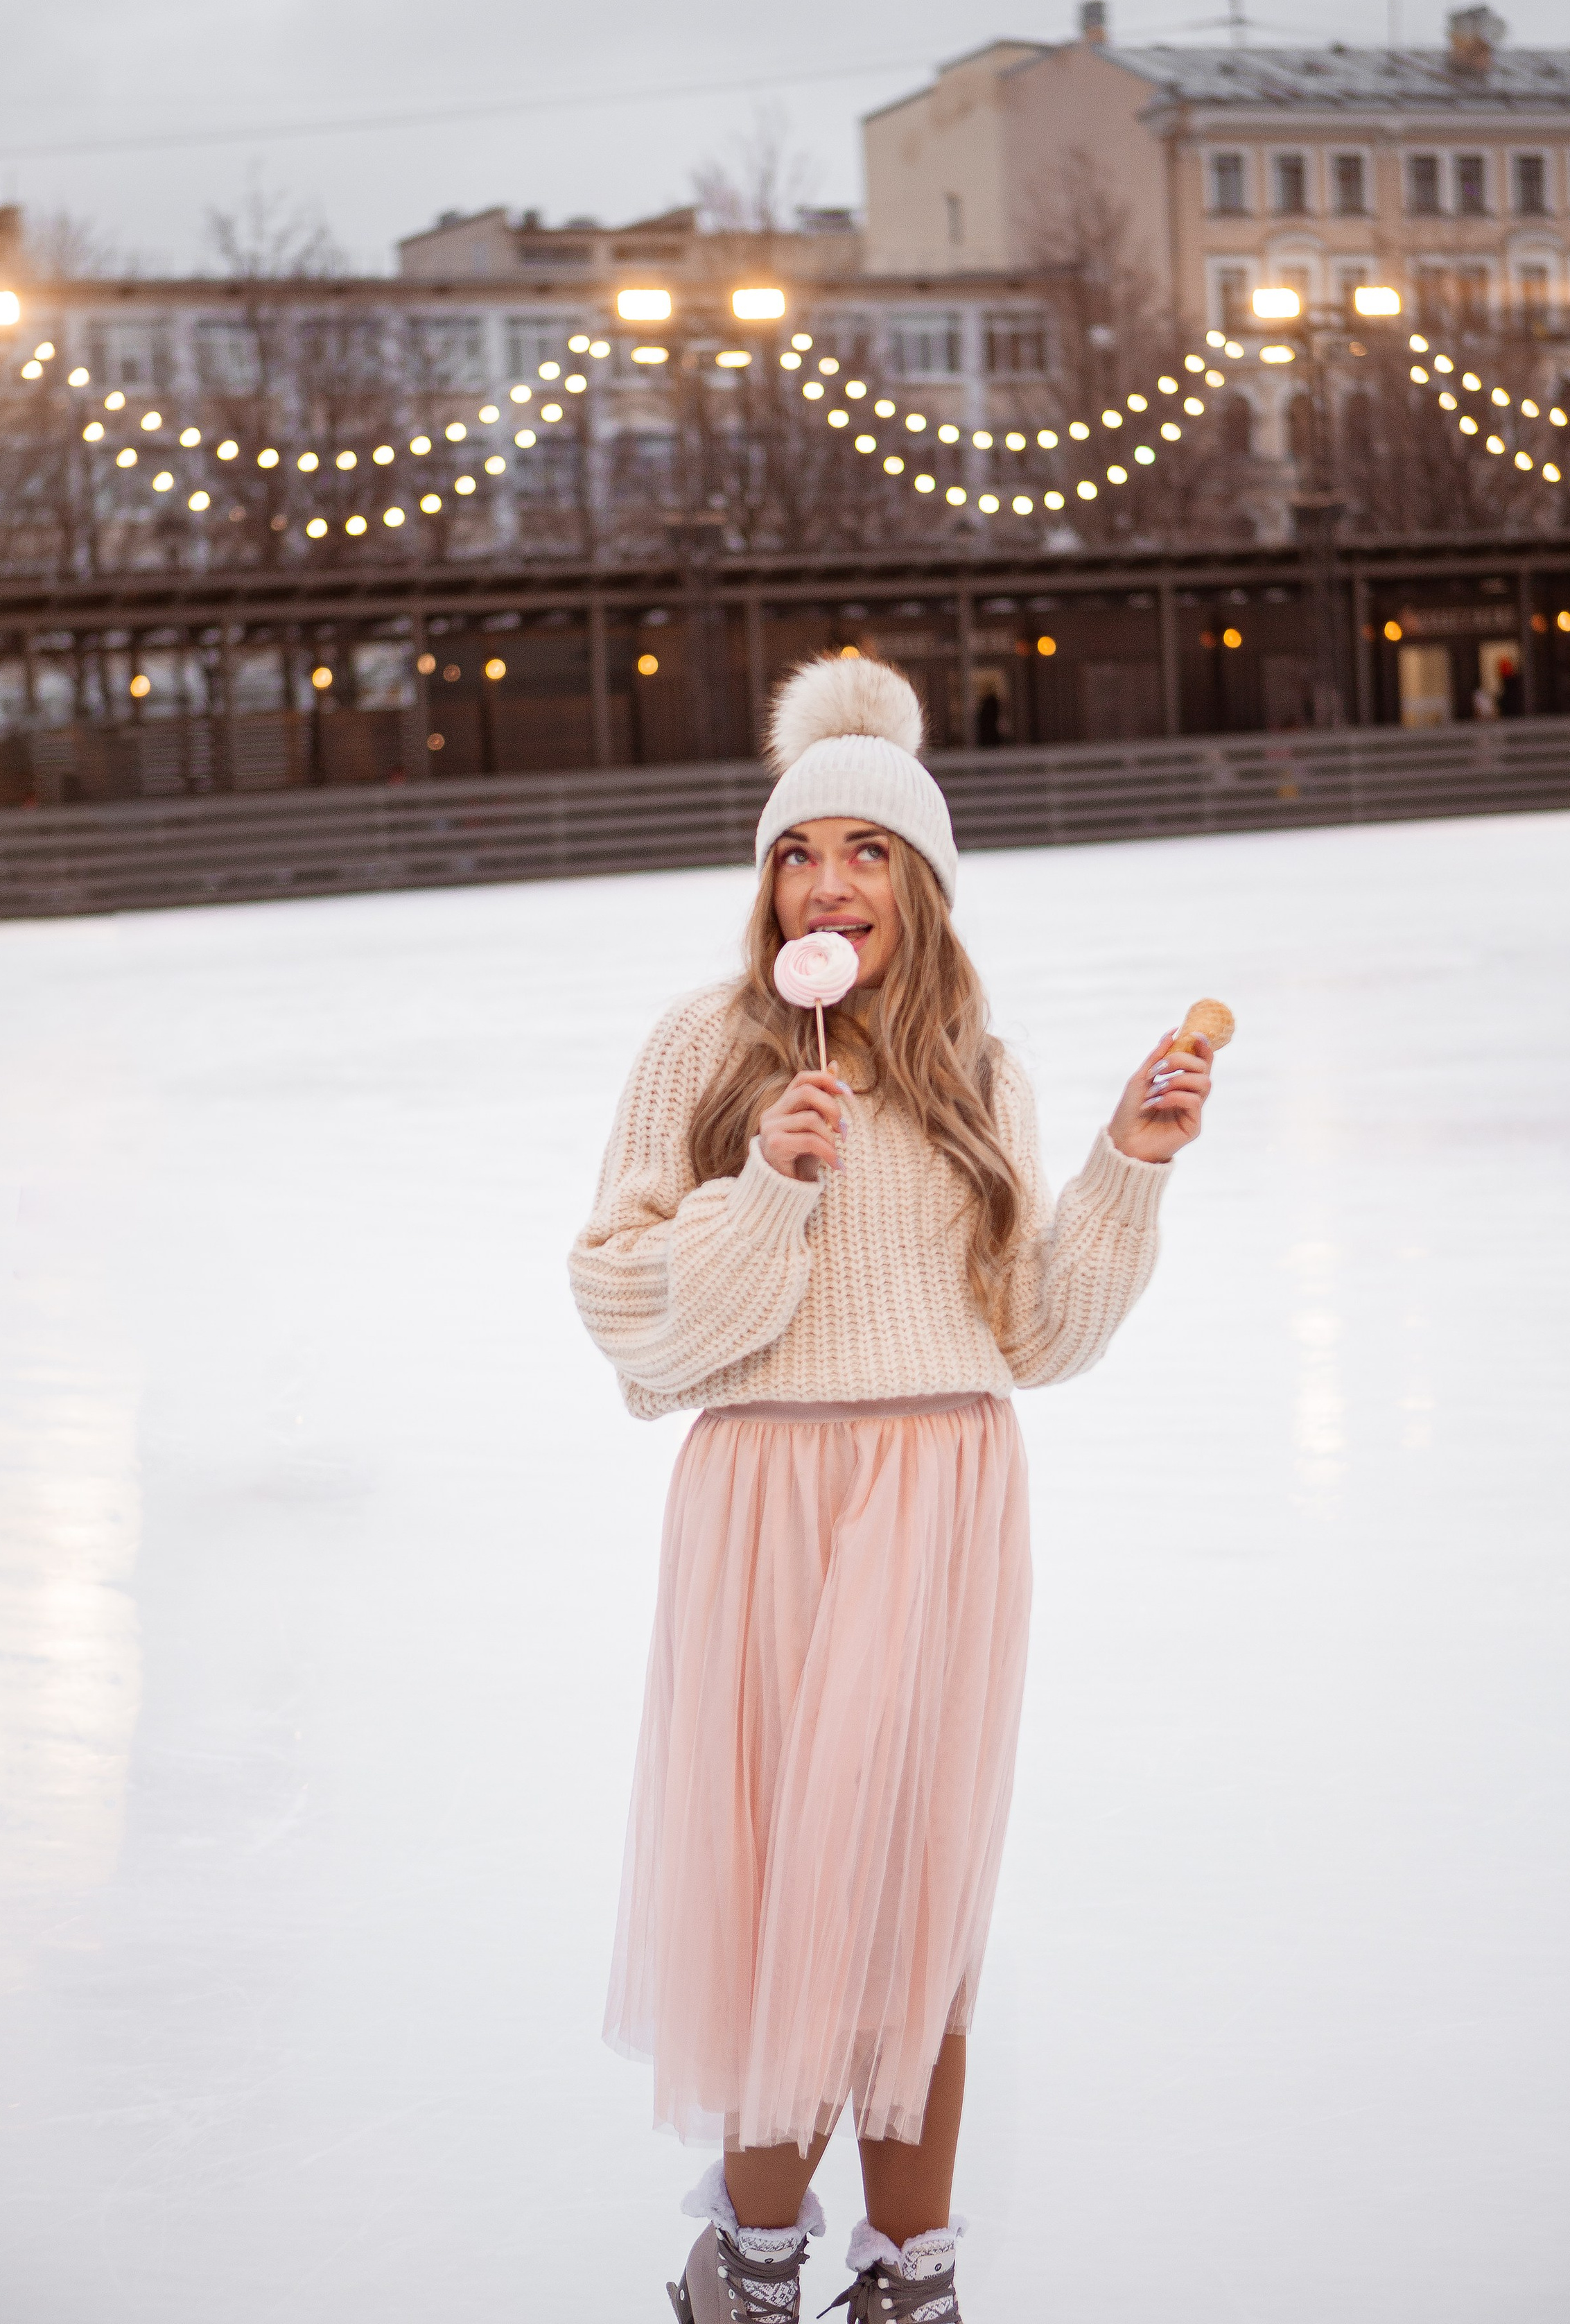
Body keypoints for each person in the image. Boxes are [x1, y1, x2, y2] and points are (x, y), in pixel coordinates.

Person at [569, 656, 1214, 2324]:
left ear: (918, 885)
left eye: (865, 852)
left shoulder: (971, 1065)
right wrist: (764, 1189)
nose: (826, 882)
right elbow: (634, 1321)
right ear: (766, 884)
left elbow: (1034, 1331)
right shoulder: (702, 1052)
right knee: (789, 1889)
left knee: (915, 1892)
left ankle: (908, 2268)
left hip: (947, 1497)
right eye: (799, 852)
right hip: (771, 1499)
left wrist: (1123, 1173)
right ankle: (754, 2260)